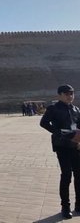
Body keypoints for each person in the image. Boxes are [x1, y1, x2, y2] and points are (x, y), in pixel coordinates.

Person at [40, 84, 80, 219]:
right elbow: (44, 123)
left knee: (79, 175)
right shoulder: (53, 109)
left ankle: (79, 204)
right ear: (60, 95)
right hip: (62, 146)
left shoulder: (76, 109)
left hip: (76, 145)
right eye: (67, 94)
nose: (70, 96)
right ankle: (65, 206)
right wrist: (57, 133)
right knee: (66, 175)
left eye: (72, 94)